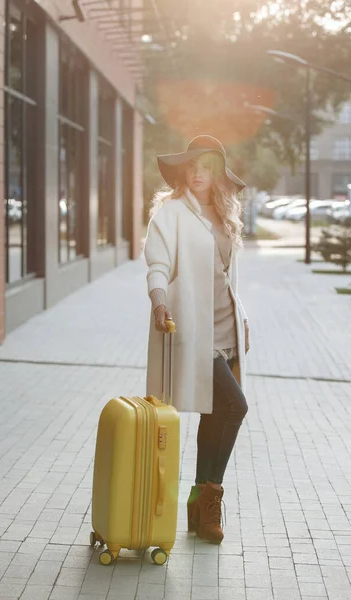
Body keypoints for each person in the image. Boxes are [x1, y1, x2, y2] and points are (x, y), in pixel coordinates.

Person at [144, 135, 249, 545]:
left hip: (226, 329)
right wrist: (158, 300)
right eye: (192, 165)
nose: (198, 173)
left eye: (206, 166)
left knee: (215, 411)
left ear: (218, 173)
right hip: (192, 329)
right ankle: (210, 500)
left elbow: (227, 275)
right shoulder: (169, 214)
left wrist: (244, 321)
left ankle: (198, 501)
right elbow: (156, 263)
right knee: (235, 405)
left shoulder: (225, 215)